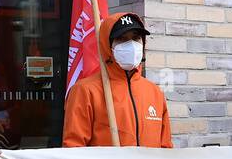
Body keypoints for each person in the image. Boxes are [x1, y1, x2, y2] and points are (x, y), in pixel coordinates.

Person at [62, 11, 172, 148]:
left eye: (136, 38)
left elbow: (166, 147)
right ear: (108, 45)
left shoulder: (154, 92)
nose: (131, 44)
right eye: (122, 38)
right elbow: (74, 148)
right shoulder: (85, 91)